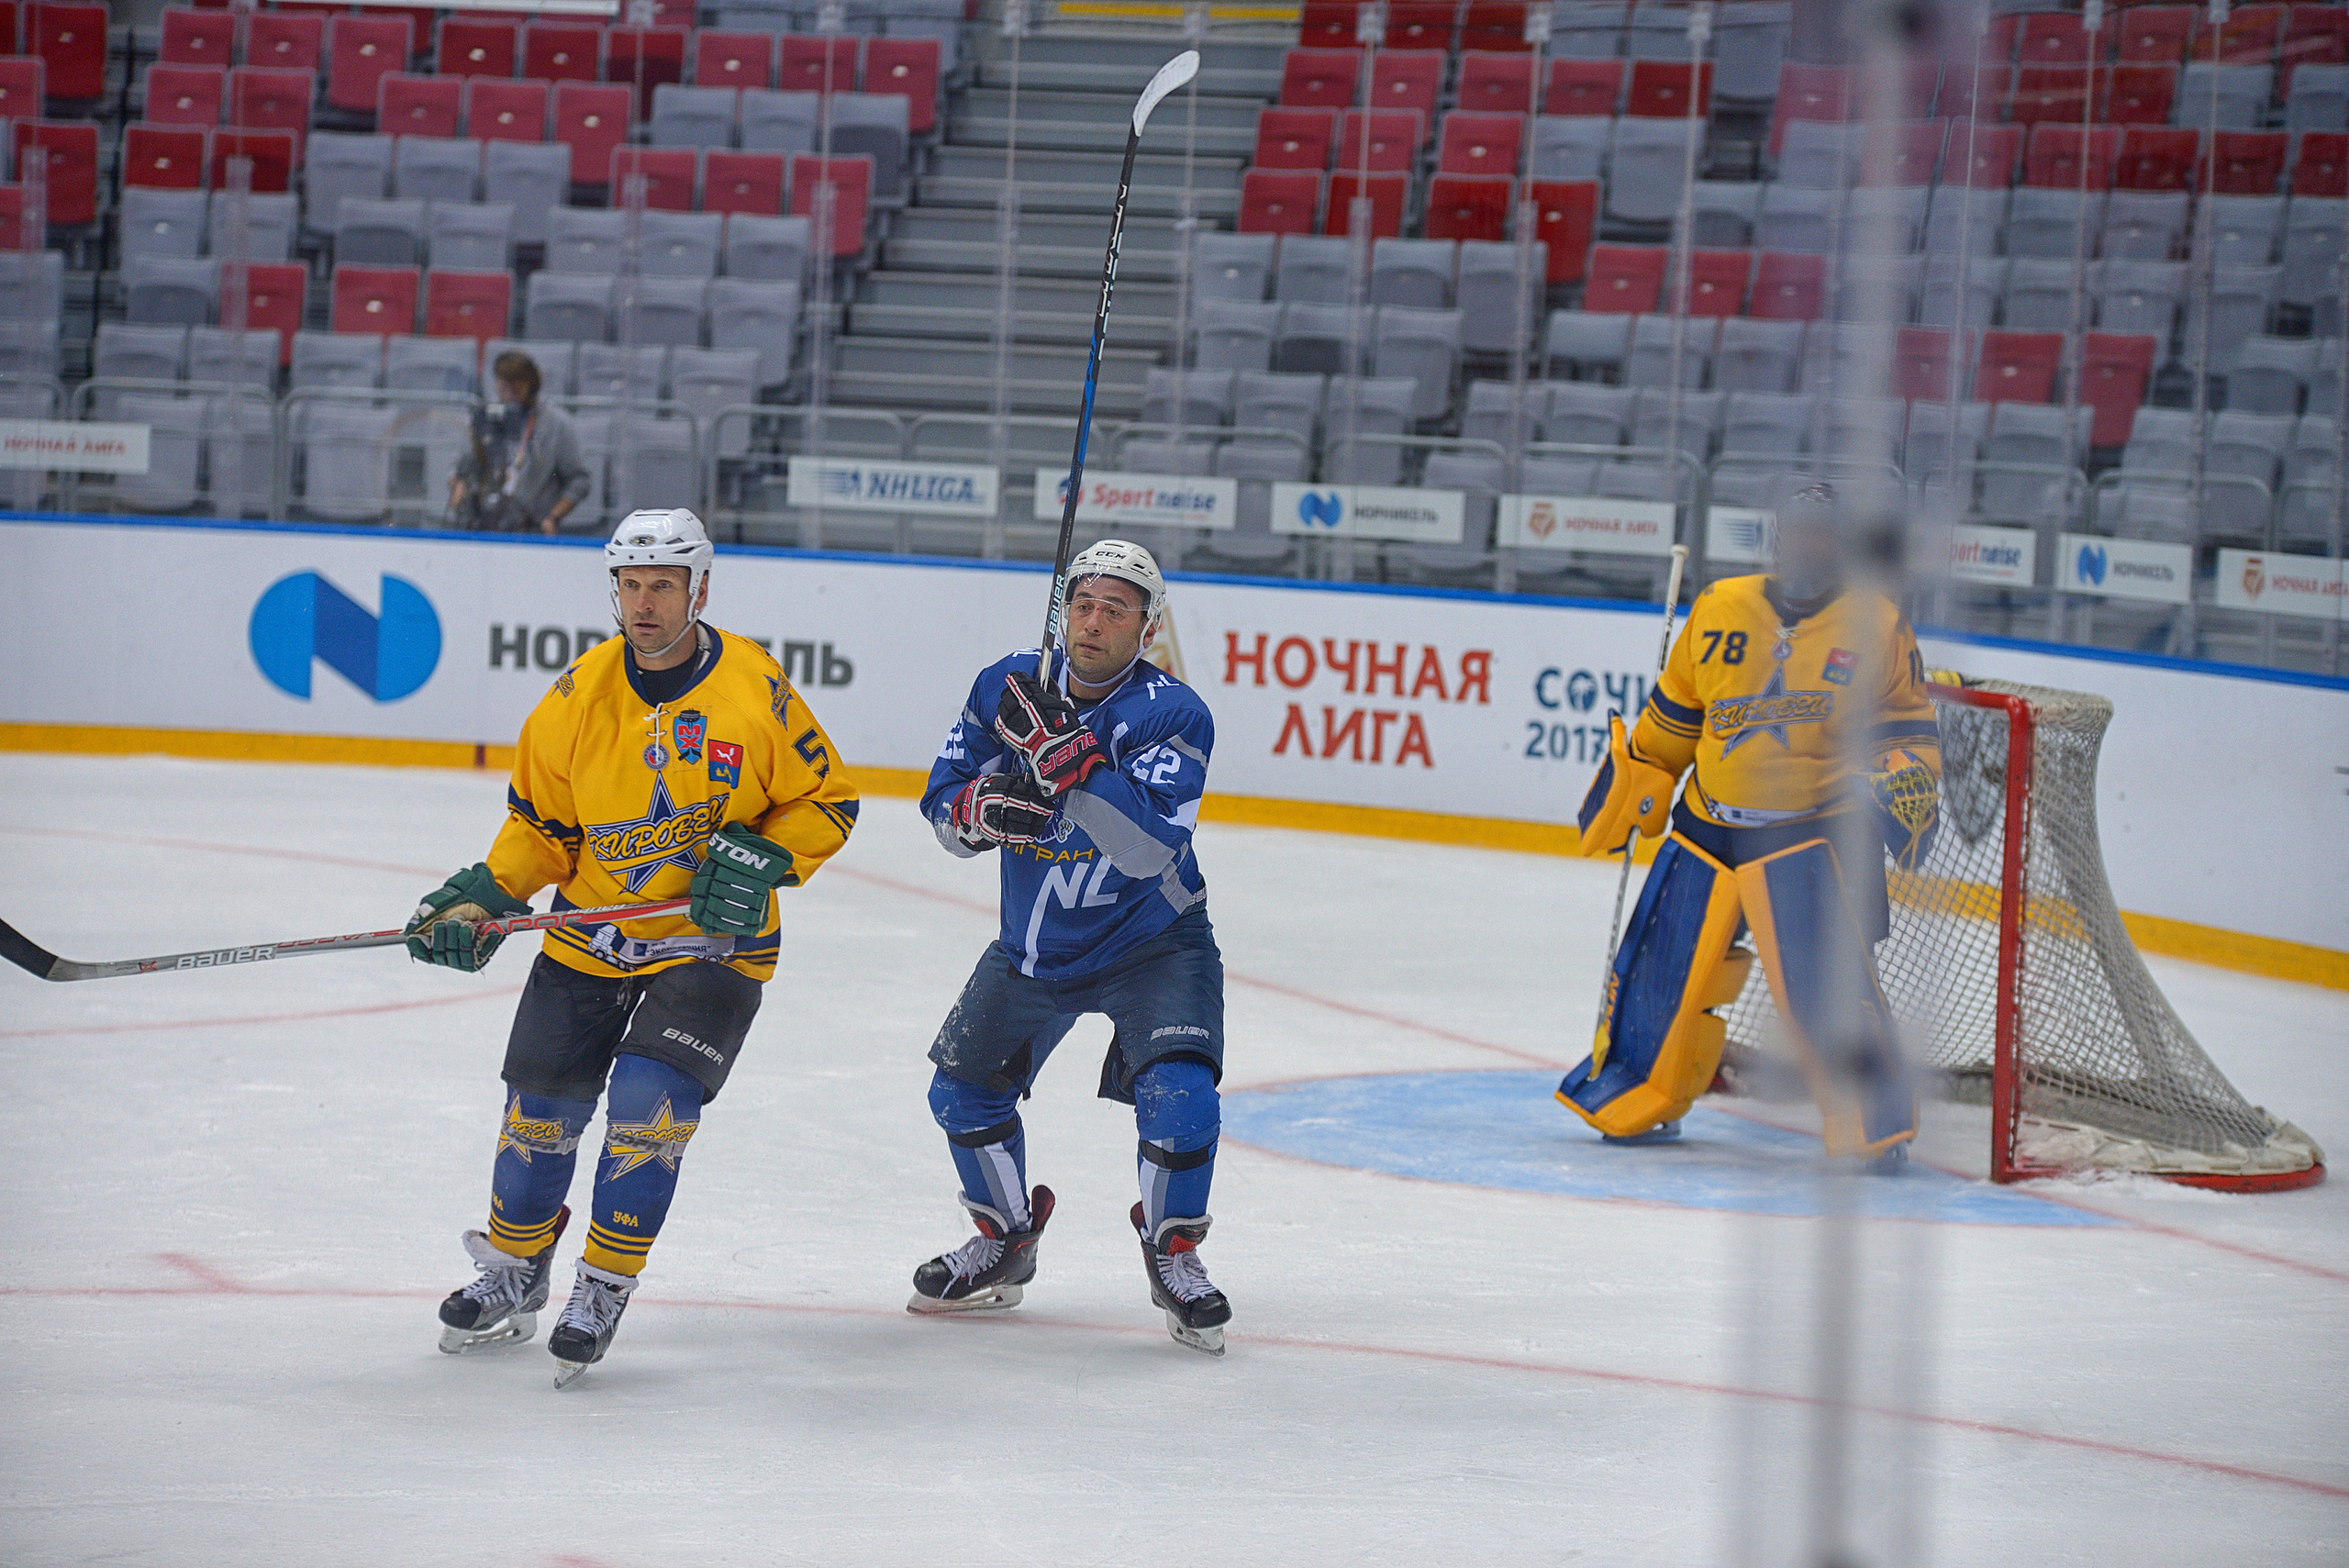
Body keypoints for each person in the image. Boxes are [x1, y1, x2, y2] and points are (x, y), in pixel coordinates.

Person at [409, 507, 860, 1386]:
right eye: (631, 584)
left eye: (663, 584)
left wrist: (767, 857)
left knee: (649, 1111)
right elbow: (540, 827)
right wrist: (493, 894)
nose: (645, 602)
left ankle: (603, 1284)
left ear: (700, 588)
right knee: (537, 1116)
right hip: (590, 939)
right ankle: (514, 1266)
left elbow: (827, 801)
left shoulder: (755, 686)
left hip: (711, 946)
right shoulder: (576, 697)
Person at [909, 540, 1233, 1355]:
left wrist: (1075, 767)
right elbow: (941, 805)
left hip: (1154, 942)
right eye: (1083, 604)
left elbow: (1148, 850)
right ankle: (1005, 1237)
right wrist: (985, 808)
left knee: (1182, 1096)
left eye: (1116, 608)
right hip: (1035, 948)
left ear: (1147, 626)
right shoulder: (1009, 685)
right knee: (960, 1094)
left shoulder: (1175, 712)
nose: (1094, 621)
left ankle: (1175, 1252)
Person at [1558, 483, 1942, 1162]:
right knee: (1658, 973)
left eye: (1822, 535)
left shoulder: (1876, 624)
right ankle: (1638, 1089)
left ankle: (1869, 1122)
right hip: (1705, 828)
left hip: (1806, 835)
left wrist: (1905, 781)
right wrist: (1643, 773)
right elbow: (1676, 713)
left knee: (1826, 990)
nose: (1806, 546)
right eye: (1796, 533)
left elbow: (1903, 729)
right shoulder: (1720, 607)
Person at [449, 350, 591, 536]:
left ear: (532, 386)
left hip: (531, 530)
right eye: (503, 388)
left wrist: (553, 518)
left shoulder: (556, 424)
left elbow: (579, 481)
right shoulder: (485, 419)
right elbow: (458, 471)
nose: (508, 395)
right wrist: (458, 484)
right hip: (482, 526)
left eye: (515, 389)